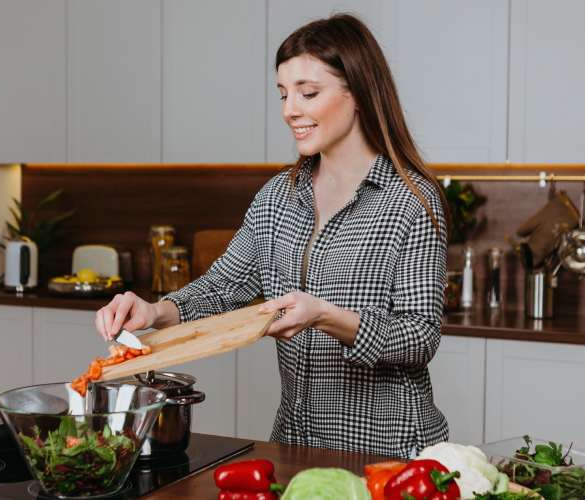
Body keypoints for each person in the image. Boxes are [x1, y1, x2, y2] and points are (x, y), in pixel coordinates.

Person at [94, 13, 451, 458]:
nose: (289, 110)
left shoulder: (411, 201)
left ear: (358, 92)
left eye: (308, 93)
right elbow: (224, 287)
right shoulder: (278, 197)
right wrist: (156, 312)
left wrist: (325, 315)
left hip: (385, 450)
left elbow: (419, 337)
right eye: (283, 94)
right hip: (294, 444)